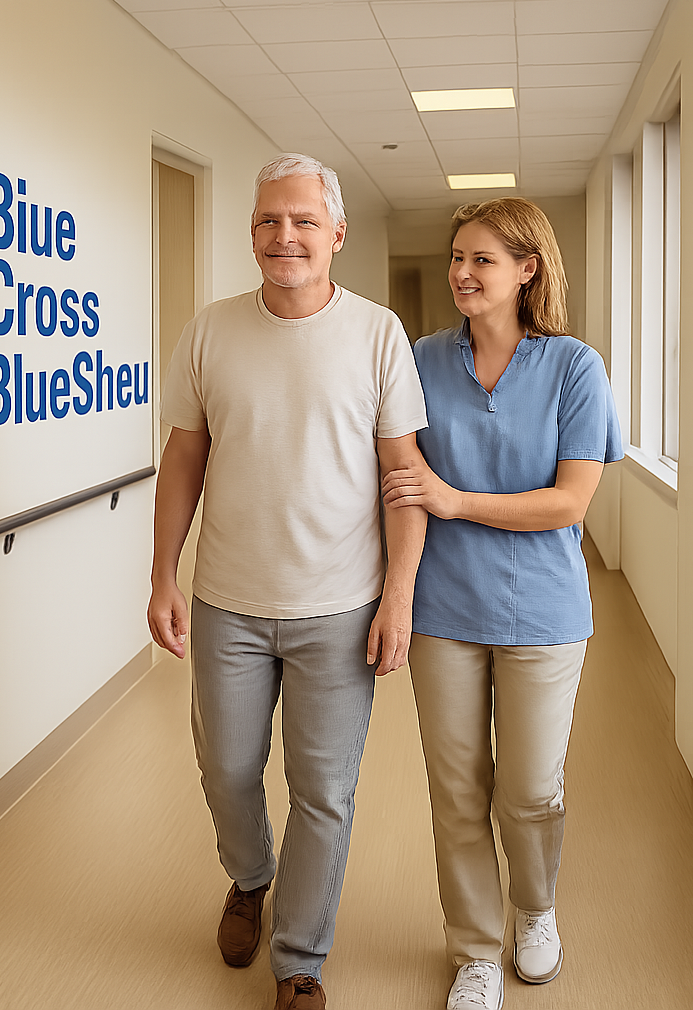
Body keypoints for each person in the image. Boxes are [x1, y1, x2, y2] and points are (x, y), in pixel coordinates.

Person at [147, 153, 429, 1010]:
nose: (286, 236)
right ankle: (249, 876)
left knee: (324, 792)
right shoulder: (211, 330)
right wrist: (162, 572)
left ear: (336, 234)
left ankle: (299, 959)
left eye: (304, 220)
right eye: (270, 220)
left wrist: (399, 597)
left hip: (340, 608)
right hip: (227, 601)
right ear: (253, 233)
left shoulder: (378, 335)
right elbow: (184, 456)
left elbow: (402, 476)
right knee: (228, 770)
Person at [382, 197, 623, 1010]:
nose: (461, 272)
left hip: (544, 616)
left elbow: (568, 502)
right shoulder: (418, 360)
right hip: (445, 611)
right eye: (457, 257)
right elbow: (395, 479)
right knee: (456, 790)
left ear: (529, 270)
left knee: (529, 789)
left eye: (482, 259)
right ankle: (476, 951)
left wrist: (455, 500)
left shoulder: (575, 368)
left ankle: (535, 907)